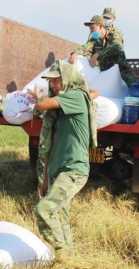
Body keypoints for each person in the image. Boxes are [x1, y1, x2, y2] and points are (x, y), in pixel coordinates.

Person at [27, 60, 97, 261]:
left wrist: (40, 100)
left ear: (67, 79)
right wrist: (46, 179)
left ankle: (61, 253)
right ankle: (70, 257)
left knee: (44, 211)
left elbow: (41, 104)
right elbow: (49, 148)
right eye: (51, 82)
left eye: (56, 80)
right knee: (60, 216)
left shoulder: (76, 97)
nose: (53, 85)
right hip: (57, 170)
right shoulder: (58, 113)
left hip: (73, 169)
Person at [89, 15, 135, 87]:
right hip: (106, 73)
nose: (91, 31)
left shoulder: (114, 33)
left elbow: (116, 46)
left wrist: (98, 54)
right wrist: (75, 53)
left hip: (121, 72)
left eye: (108, 18)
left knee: (134, 90)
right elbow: (87, 47)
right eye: (104, 18)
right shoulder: (96, 37)